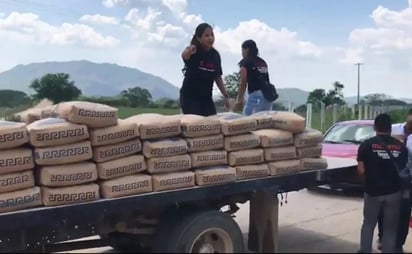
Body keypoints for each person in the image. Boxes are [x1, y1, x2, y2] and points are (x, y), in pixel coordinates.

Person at [357, 113, 408, 253]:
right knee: (390, 228)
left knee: (368, 224)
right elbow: (404, 170)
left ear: (375, 127)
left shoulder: (366, 145)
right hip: (394, 193)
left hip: (372, 192)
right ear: (390, 128)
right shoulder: (401, 147)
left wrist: (366, 184)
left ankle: (365, 250)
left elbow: (361, 170)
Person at [377, 111, 412, 253]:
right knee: (383, 209)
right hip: (389, 178)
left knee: (404, 212)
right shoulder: (393, 129)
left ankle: (398, 244)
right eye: (410, 125)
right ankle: (382, 237)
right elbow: (378, 142)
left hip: (408, 181)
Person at [180, 23, 230, 117]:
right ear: (199, 38)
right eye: (206, 35)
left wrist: (226, 96)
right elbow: (184, 55)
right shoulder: (194, 51)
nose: (210, 38)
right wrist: (189, 50)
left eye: (212, 35)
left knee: (212, 124)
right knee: (195, 125)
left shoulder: (215, 55)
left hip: (206, 98)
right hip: (190, 97)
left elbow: (217, 77)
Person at [234, 39, 273, 116]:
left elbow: (243, 83)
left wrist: (238, 100)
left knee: (247, 121)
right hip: (268, 96)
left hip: (255, 96)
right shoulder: (263, 62)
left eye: (242, 50)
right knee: (264, 121)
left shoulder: (245, 63)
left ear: (246, 49)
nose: (242, 53)